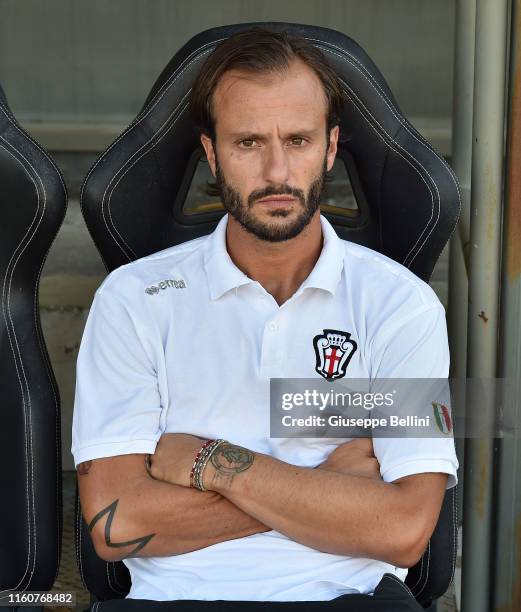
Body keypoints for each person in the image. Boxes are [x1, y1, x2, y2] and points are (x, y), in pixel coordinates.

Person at [72, 28, 458, 611]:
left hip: (352, 598)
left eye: (298, 140)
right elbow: (116, 525)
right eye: (248, 142)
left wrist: (213, 466)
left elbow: (402, 532)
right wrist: (329, 492)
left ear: (330, 149)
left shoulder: (400, 307)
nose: (277, 171)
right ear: (211, 153)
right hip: (173, 602)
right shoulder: (134, 299)